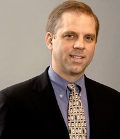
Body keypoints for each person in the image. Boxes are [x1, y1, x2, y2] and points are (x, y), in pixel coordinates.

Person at [0, 0, 120, 139]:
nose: (80, 45)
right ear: (50, 40)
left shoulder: (114, 102)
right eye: (70, 36)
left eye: (88, 38)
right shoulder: (12, 102)